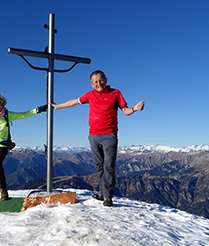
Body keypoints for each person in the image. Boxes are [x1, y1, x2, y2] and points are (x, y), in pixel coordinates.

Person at [50, 70, 145, 207]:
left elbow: (125, 111)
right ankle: (102, 193)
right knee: (99, 166)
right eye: (95, 82)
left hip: (109, 135)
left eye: (100, 80)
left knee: (109, 166)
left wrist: (134, 108)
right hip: (93, 136)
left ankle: (108, 196)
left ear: (106, 80)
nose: (98, 83)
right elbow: (74, 102)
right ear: (91, 84)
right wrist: (57, 107)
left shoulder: (115, 93)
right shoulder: (90, 95)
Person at [0, 92, 47, 206]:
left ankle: (3, 190)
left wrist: (38, 110)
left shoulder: (8, 115)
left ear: (1, 104)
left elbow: (23, 115)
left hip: (2, 146)